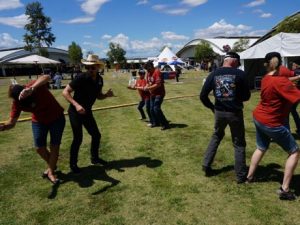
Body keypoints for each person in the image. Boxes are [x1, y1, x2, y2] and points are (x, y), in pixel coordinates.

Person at [246, 52, 300, 201]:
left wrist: (293, 79)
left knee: (261, 147)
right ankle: (285, 189)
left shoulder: (266, 78)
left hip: (259, 117)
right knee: (295, 152)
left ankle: (249, 177)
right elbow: (295, 94)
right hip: (271, 122)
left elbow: (285, 79)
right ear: (279, 64)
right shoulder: (280, 81)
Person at [0, 75, 65, 185]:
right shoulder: (17, 103)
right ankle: (52, 165)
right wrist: (4, 127)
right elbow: (12, 123)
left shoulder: (32, 86)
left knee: (54, 146)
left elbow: (47, 77)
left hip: (56, 118)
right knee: (39, 148)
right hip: (39, 121)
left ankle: (51, 172)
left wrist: (32, 88)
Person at [200, 52, 251, 183]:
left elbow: (203, 95)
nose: (238, 66)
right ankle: (240, 176)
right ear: (233, 61)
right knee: (239, 142)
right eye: (238, 63)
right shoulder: (240, 74)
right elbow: (246, 96)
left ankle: (206, 165)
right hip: (235, 113)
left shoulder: (213, 74)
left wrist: (212, 107)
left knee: (216, 136)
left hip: (219, 113)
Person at [62, 54, 114, 174]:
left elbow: (98, 96)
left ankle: (94, 158)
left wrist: (106, 95)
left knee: (96, 135)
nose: (90, 70)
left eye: (93, 67)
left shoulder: (100, 80)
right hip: (75, 112)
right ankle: (73, 164)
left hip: (87, 112)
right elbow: (65, 92)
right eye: (88, 67)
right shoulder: (81, 77)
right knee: (78, 138)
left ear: (98, 67)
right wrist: (76, 105)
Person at [144, 61, 170, 130]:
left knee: (156, 108)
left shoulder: (157, 72)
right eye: (146, 69)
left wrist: (148, 88)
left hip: (159, 93)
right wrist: (146, 86)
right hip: (152, 93)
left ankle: (165, 124)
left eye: (147, 68)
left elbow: (158, 84)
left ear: (151, 66)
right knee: (151, 109)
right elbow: (148, 82)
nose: (147, 70)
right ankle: (155, 122)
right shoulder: (148, 73)